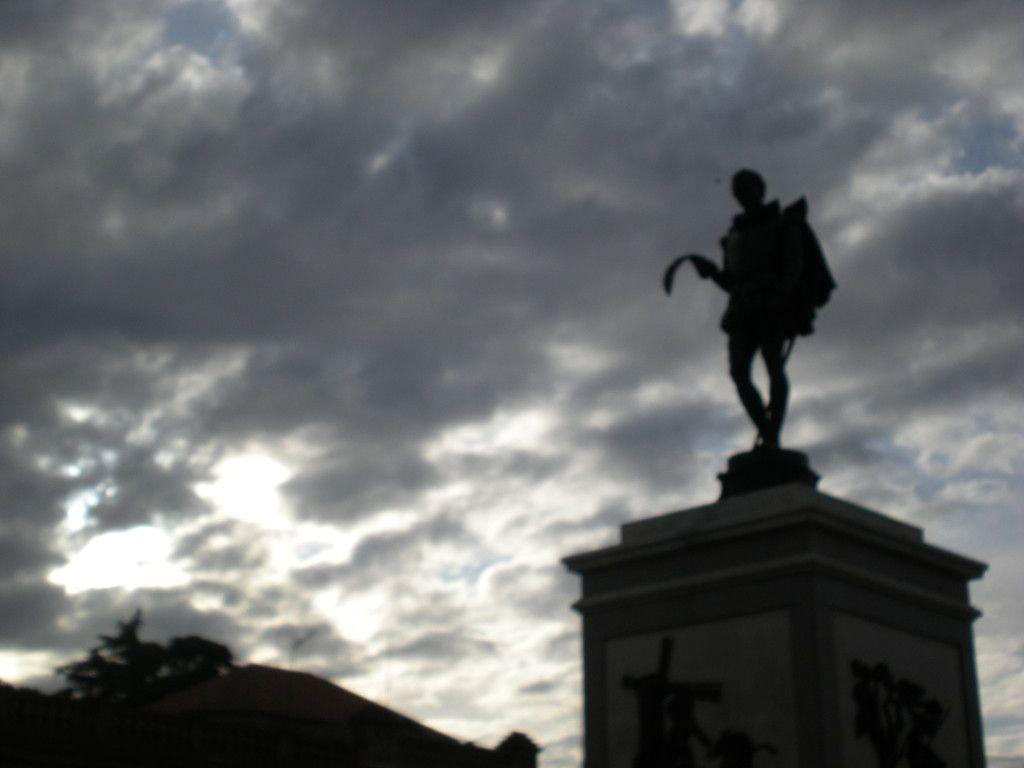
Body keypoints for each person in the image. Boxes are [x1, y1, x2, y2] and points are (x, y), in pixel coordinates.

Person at [664, 169, 834, 449]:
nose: (740, 194)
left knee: (772, 366)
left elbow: (794, 268)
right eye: (736, 190)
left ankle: (772, 437)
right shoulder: (735, 235)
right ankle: (766, 431)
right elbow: (731, 282)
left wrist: (782, 297)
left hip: (772, 305)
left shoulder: (783, 224)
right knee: (738, 372)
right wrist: (711, 272)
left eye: (745, 187)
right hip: (742, 308)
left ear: (759, 189)